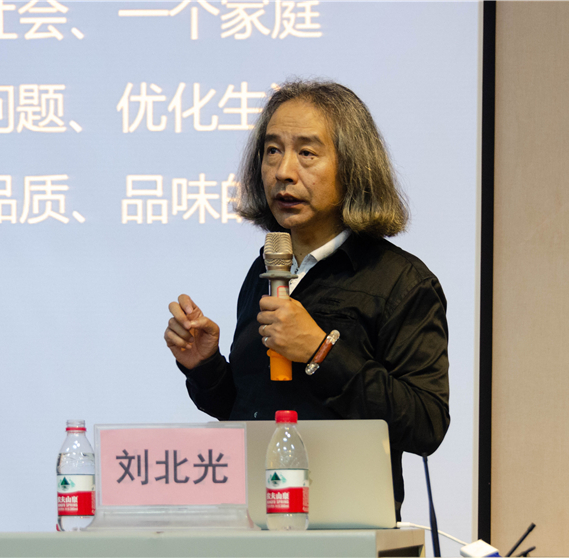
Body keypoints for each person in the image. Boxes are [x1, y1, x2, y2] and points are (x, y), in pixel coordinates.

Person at [164, 79, 449, 516]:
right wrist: (205, 366)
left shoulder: (400, 281)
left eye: (307, 153)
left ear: (352, 166)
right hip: (254, 523)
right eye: (272, 151)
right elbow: (247, 413)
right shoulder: (266, 271)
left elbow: (426, 424)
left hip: (346, 527)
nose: (283, 171)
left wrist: (321, 353)